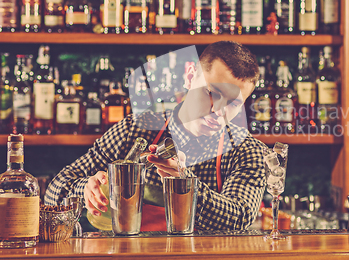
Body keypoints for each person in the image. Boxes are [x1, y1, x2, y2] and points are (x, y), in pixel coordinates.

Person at [45, 41, 267, 231]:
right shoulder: (134, 130)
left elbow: (239, 217)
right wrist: (85, 189)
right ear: (190, 77)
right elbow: (55, 190)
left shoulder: (248, 151)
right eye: (212, 93)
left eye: (233, 103)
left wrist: (186, 185)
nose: (218, 111)